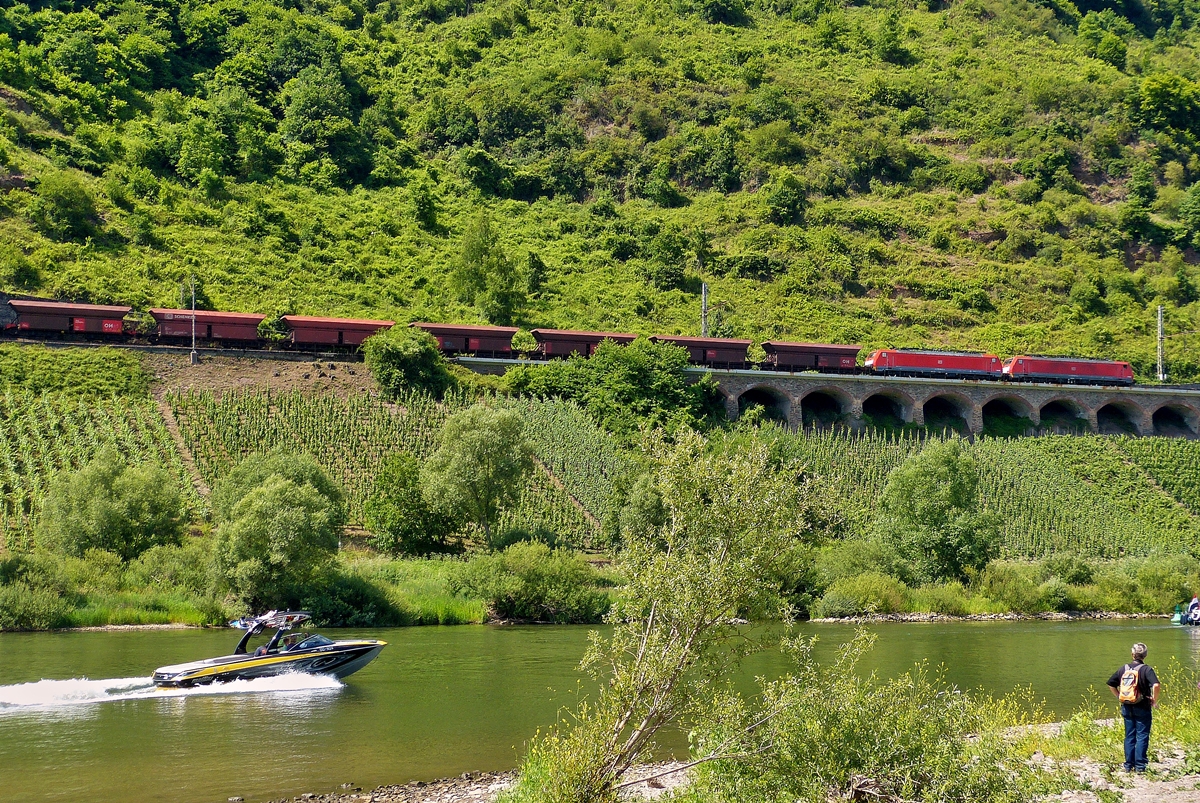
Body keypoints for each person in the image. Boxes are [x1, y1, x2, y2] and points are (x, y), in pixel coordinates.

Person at [1106, 642, 1160, 773]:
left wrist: (1119, 696)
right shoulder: (1147, 670)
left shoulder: (1123, 669)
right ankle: (1140, 766)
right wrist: (1154, 699)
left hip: (1126, 705)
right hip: (1142, 706)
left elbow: (1110, 684)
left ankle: (1128, 765)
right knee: (1142, 735)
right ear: (1145, 655)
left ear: (1132, 654)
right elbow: (1156, 685)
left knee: (1129, 735)